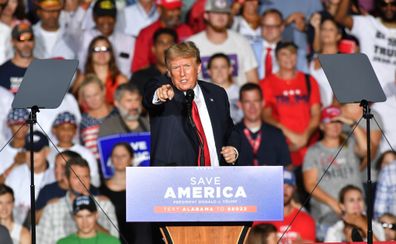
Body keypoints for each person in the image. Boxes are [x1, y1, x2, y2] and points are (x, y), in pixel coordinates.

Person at [143, 41, 239, 166]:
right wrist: (159, 95)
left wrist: (233, 149)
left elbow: (229, 130)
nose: (182, 73)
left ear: (198, 67)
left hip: (216, 179)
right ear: (169, 71)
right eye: (176, 68)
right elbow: (150, 95)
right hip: (173, 180)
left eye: (187, 66)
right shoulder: (164, 91)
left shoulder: (217, 94)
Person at [303, 106, 364, 240]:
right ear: (322, 126)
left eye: (338, 121)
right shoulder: (313, 151)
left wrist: (352, 123)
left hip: (356, 214)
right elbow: (310, 184)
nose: (335, 126)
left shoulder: (351, 144)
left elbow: (366, 149)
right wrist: (336, 205)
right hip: (328, 216)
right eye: (330, 121)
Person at [260, 41, 321, 168]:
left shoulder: (309, 80)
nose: (289, 58)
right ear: (277, 58)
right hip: (284, 146)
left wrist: (305, 137)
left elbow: (316, 113)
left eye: (292, 54)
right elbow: (266, 115)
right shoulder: (266, 83)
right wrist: (291, 135)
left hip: (309, 146)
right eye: (284, 54)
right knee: (287, 186)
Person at [37, 157, 118, 244]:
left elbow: (114, 239)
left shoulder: (104, 205)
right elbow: (42, 241)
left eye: (86, 177)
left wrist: (91, 220)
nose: (81, 182)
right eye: (76, 177)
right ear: (67, 180)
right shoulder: (53, 208)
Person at [188, 0, 258, 86]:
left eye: (224, 13)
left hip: (238, 98)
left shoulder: (241, 41)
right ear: (206, 15)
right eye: (216, 12)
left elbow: (253, 80)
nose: (220, 17)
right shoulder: (191, 45)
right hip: (203, 99)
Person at [100, 142, 151, 243]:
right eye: (116, 156)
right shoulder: (101, 190)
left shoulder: (143, 186)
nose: (119, 159)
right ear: (111, 159)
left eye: (123, 155)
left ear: (131, 158)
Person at [5, 131, 55, 225]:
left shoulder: (55, 174)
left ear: (47, 152)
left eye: (36, 151)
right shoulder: (16, 174)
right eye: (29, 150)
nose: (32, 155)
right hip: (18, 230)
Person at [234, 83, 290, 166]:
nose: (252, 106)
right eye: (247, 102)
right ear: (240, 104)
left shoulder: (276, 134)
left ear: (263, 103)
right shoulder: (232, 134)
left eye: (256, 101)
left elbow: (286, 168)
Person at [77, 0, 135, 78]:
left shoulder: (130, 41)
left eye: (110, 16)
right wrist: (84, 6)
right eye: (102, 16)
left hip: (121, 87)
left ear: (115, 18)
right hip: (89, 86)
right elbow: (72, 29)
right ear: (94, 17)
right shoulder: (83, 37)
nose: (106, 21)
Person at [255, 169, 316, 243]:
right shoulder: (260, 220)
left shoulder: (306, 220)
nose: (284, 190)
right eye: (280, 185)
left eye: (288, 186)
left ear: (294, 189)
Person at [131, 0, 192, 72]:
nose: (177, 13)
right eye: (172, 10)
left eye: (178, 9)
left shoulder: (187, 30)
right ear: (159, 10)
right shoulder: (146, 33)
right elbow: (139, 67)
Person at [48, 111, 100, 187]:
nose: (66, 131)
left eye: (70, 128)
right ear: (54, 130)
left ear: (75, 131)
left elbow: (95, 181)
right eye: (62, 128)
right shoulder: (48, 153)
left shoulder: (86, 153)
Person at [73, 36, 128, 105]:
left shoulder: (121, 80)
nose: (101, 53)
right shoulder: (82, 79)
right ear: (90, 54)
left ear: (111, 53)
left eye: (105, 49)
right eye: (97, 49)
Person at [129, 27, 177, 94]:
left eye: (169, 43)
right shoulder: (140, 76)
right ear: (153, 49)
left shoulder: (182, 76)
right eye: (161, 43)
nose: (166, 47)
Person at [79, 75, 116, 159]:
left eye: (96, 94)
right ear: (84, 98)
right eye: (88, 96)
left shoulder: (117, 114)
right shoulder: (82, 121)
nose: (93, 99)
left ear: (103, 91)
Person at [308, 17, 341, 107]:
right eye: (323, 29)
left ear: (338, 36)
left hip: (330, 113)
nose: (326, 32)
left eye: (331, 30)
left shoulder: (342, 62)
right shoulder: (311, 60)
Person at [207, 53, 243, 123]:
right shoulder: (202, 93)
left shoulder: (240, 93)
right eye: (215, 67)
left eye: (223, 67)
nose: (219, 71)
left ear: (230, 69)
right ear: (209, 71)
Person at [0, 22, 34, 94]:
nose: (26, 44)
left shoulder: (45, 69)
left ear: (34, 40)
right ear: (12, 42)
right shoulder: (2, 72)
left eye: (30, 38)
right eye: (21, 39)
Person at [0, 108, 29, 182]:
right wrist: (15, 164)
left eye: (24, 124)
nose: (21, 128)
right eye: (16, 124)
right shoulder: (2, 152)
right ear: (9, 125)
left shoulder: (37, 149)